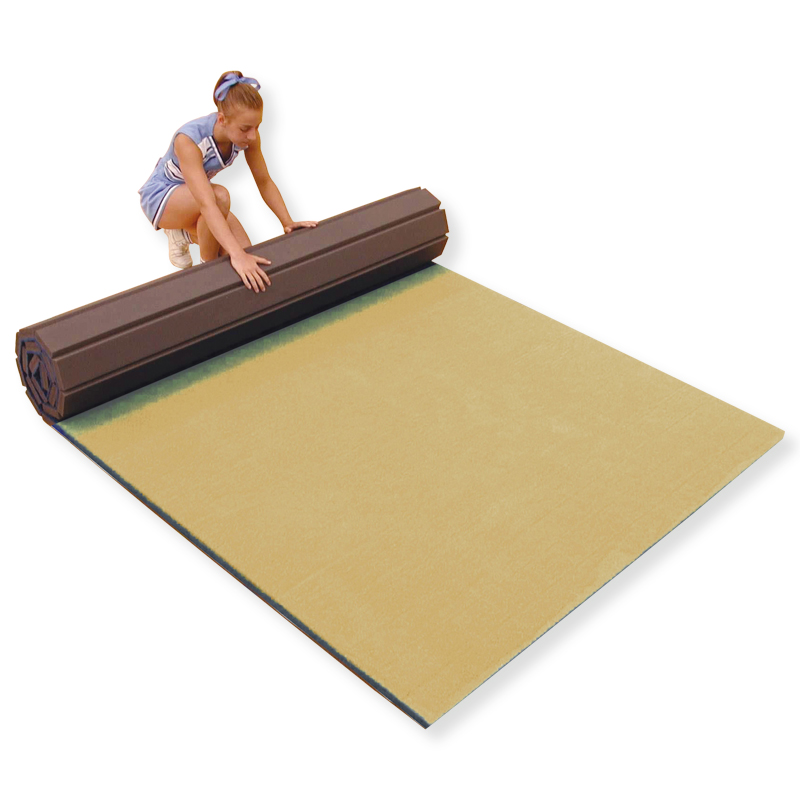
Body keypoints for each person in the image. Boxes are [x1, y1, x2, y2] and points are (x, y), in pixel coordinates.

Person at [138, 70, 317, 293]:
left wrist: (287, 222)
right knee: (221, 202)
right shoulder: (189, 140)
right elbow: (207, 203)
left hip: (196, 197)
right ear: (222, 120)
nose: (253, 136)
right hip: (162, 197)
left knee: (247, 251)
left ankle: (181, 234)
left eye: (257, 127)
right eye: (245, 128)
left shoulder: (247, 135)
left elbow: (264, 181)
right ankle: (207, 274)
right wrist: (236, 256)